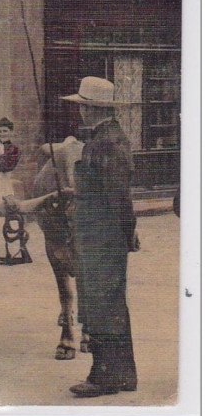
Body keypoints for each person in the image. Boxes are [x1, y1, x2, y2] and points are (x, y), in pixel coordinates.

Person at [61, 76, 138, 397]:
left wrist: (125, 234)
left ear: (92, 110)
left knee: (101, 304)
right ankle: (124, 374)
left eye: (83, 106)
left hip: (101, 237)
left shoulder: (106, 142)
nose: (80, 112)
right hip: (98, 234)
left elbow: (119, 196)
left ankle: (103, 376)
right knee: (110, 303)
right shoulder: (105, 138)